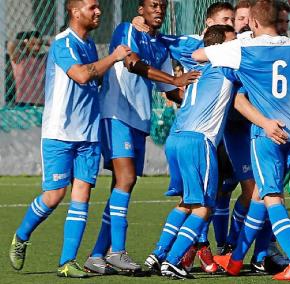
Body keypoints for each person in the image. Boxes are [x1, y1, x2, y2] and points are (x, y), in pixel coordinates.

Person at [192, 1, 290, 280]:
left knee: (271, 197)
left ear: (254, 23)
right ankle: (234, 260)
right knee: (259, 194)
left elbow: (198, 55)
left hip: (266, 133)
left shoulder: (244, 48)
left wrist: (234, 43)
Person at [8, 0, 131, 278]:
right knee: (54, 195)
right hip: (59, 133)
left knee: (82, 195)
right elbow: (80, 75)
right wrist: (113, 58)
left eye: (99, 7)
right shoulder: (64, 43)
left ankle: (67, 262)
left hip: (88, 134)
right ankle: (21, 236)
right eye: (92, 7)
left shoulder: (88, 45)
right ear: (75, 12)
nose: (98, 11)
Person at [84, 0, 199, 275]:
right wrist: (175, 80)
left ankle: (97, 255)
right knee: (127, 179)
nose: (158, 9)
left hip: (139, 119)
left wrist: (200, 97)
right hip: (115, 114)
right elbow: (132, 63)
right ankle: (118, 252)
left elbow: (168, 89)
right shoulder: (126, 30)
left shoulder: (159, 44)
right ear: (141, 10)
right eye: (153, 5)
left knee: (120, 186)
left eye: (162, 5)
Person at [145, 25, 239, 279]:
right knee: (204, 207)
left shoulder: (197, 69)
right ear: (220, 48)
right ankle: (174, 261)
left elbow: (178, 46)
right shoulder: (228, 68)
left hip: (175, 139)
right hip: (198, 141)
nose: (237, 45)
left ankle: (158, 254)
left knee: (187, 203)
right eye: (233, 41)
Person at [7, 31, 47, 106]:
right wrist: (24, 42)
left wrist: (45, 42)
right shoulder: (19, 58)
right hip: (23, 102)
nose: (37, 47)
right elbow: (11, 43)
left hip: (42, 102)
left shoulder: (43, 58)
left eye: (39, 44)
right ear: (26, 43)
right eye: (33, 44)